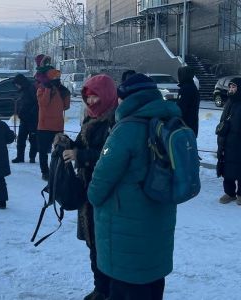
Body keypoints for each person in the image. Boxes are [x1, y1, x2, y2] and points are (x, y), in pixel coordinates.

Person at [88, 74, 181, 300]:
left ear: (127, 98)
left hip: (125, 227)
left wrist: (91, 195)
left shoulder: (126, 130)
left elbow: (100, 184)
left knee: (127, 286)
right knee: (152, 282)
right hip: (160, 217)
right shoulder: (169, 121)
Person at [60, 74, 117, 300]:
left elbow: (109, 156)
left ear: (107, 95)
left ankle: (109, 289)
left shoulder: (114, 122)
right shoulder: (90, 118)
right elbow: (82, 145)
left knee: (103, 243)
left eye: (95, 97)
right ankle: (100, 288)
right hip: (87, 188)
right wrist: (67, 143)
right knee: (93, 243)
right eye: (88, 97)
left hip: (104, 192)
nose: (91, 102)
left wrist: (79, 155)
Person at [37, 69, 70, 181]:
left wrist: (65, 93)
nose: (57, 80)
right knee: (43, 151)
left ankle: (57, 170)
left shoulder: (62, 90)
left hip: (57, 126)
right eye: (55, 78)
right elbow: (43, 103)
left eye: (58, 78)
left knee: (59, 150)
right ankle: (45, 171)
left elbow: (66, 106)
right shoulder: (41, 89)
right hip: (44, 126)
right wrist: (48, 89)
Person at [217, 77, 241, 205]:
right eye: (230, 87)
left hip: (238, 142)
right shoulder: (229, 102)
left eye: (234, 87)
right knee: (227, 168)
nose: (231, 89)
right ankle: (229, 193)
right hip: (226, 141)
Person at [11, 74, 38, 163]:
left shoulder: (31, 89)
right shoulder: (23, 90)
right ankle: (20, 157)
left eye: (17, 84)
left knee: (33, 139)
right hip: (24, 119)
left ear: (21, 82)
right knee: (21, 139)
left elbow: (36, 103)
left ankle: (32, 157)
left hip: (32, 119)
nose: (16, 86)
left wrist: (31, 114)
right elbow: (22, 104)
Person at [177, 66, 200, 136]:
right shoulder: (192, 87)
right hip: (192, 125)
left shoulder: (186, 89)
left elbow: (181, 108)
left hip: (185, 125)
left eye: (180, 75)